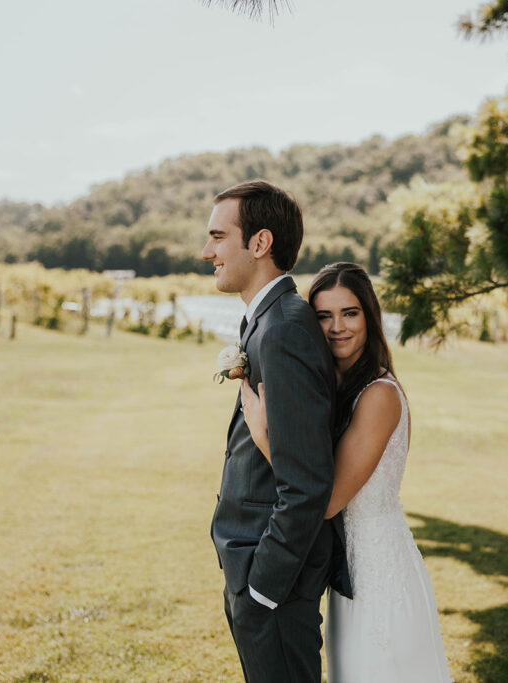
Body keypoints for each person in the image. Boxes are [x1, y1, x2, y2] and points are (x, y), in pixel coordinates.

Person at [240, 262, 452, 682]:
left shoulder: (379, 395)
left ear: (369, 317)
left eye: (350, 313)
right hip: (348, 571)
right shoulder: (334, 390)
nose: (337, 327)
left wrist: (264, 436)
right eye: (323, 315)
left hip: (379, 574)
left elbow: (329, 498)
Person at [203, 181, 351, 683]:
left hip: (273, 583)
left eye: (218, 237)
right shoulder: (265, 321)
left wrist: (263, 585)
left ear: (260, 243)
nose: (207, 252)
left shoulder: (284, 328)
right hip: (254, 570)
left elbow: (307, 481)